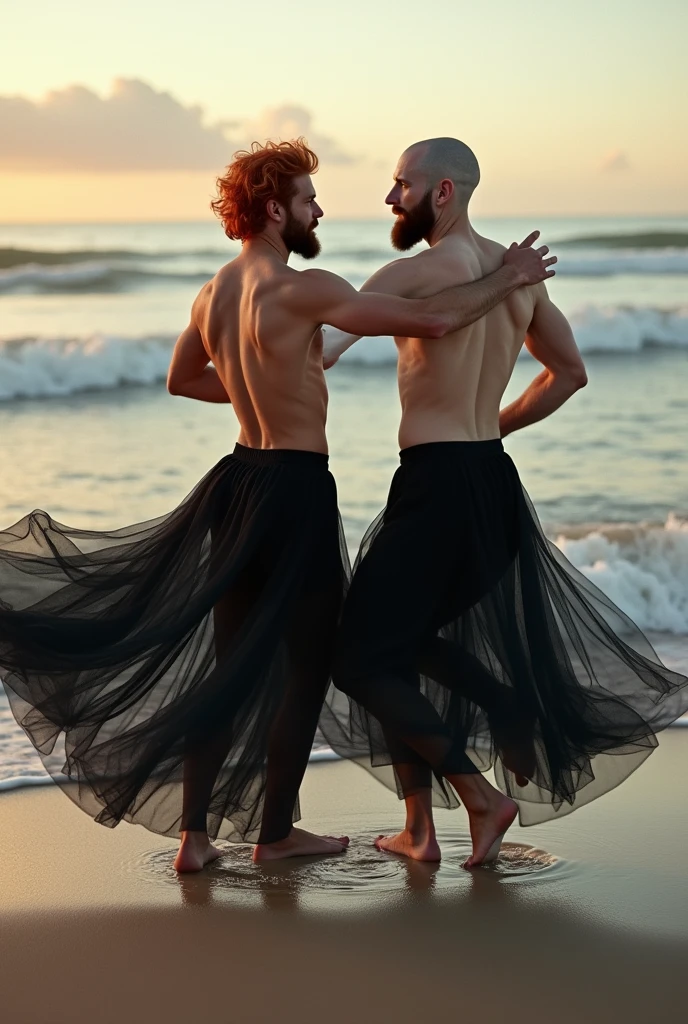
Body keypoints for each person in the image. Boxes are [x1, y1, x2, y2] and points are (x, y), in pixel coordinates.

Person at [0, 138, 554, 872]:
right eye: (307, 201)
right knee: (306, 668)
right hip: (294, 488)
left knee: (229, 668)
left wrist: (262, 384)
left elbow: (181, 378)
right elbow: (437, 322)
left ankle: (195, 841)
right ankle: (274, 835)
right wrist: (510, 275)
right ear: (273, 209)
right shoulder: (308, 287)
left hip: (237, 481)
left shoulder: (211, 293)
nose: (319, 210)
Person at [321, 137, 688, 868]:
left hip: (434, 485)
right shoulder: (521, 280)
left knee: (358, 657)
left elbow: (325, 347)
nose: (391, 199)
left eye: (402, 184)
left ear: (444, 192)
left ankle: (483, 799)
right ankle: (422, 825)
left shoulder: (414, 272)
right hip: (490, 482)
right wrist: (494, 427)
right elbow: (570, 373)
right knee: (399, 642)